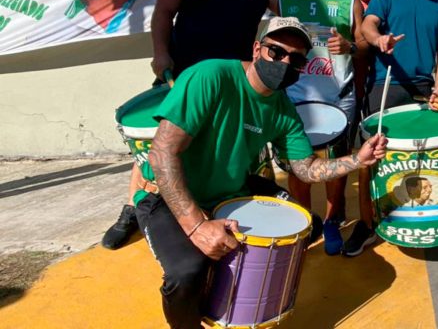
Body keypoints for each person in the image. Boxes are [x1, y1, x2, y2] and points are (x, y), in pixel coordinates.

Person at [136, 17, 387, 328]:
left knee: (305, 226)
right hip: (163, 195)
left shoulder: (283, 109)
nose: (284, 62)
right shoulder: (210, 75)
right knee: (187, 272)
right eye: (276, 52)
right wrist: (197, 226)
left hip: (230, 190)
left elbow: (305, 168)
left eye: (296, 59)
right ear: (257, 49)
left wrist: (358, 160)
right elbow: (163, 154)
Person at [101, 0, 282, 250]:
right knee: (159, 143)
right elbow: (163, 14)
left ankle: (235, 203)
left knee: (236, 143)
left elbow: (290, 15)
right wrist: (160, 54)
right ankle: (133, 208)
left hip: (233, 84)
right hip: (183, 76)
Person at [347, 0, 438, 256]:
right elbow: (368, 24)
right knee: (371, 157)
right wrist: (379, 39)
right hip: (387, 83)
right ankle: (367, 224)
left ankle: (415, 213)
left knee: (423, 156)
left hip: (424, 87)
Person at [279, 0, 357, 255]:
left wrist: (350, 46)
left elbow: (362, 44)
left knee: (335, 165)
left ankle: (331, 219)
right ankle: (304, 222)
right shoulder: (285, 1)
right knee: (299, 164)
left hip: (338, 95)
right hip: (297, 95)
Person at [348, 0, 381, 250]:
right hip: (348, 95)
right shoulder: (344, 6)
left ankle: (384, 214)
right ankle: (364, 222)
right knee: (359, 159)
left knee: (379, 155)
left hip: (378, 92)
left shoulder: (385, 8)